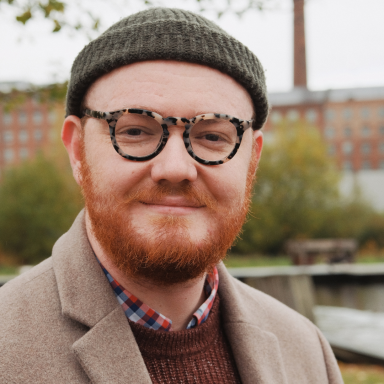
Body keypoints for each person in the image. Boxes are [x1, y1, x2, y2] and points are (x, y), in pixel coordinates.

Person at [0, 8, 343, 384]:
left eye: (213, 136)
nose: (176, 168)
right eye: (134, 131)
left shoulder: (306, 351)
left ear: (252, 159)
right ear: (77, 150)